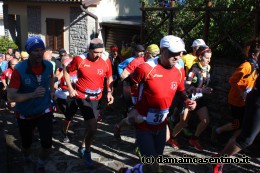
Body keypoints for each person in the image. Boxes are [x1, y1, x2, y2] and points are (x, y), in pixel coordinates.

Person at [118, 35, 196, 173]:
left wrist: (186, 100)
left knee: (155, 163)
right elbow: (127, 83)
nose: (178, 56)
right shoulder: (146, 68)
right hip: (143, 124)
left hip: (161, 123)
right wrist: (131, 107)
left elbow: (180, 90)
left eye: (180, 53)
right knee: (152, 166)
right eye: (173, 53)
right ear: (162, 50)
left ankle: (128, 171)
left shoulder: (179, 70)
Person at [63, 38, 114, 168]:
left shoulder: (106, 60)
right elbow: (66, 71)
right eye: (96, 52)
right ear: (89, 50)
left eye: (101, 52)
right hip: (82, 97)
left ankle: (83, 145)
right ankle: (87, 152)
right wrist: (70, 89)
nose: (98, 55)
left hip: (97, 98)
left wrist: (109, 92)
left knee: (91, 127)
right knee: (92, 127)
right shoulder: (80, 59)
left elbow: (109, 77)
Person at [7, 36, 54, 173]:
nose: (40, 53)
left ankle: (40, 164)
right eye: (35, 51)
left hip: (44, 110)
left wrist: (52, 91)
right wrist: (32, 95)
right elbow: (10, 96)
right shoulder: (19, 69)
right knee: (27, 143)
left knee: (47, 142)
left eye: (42, 50)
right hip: (25, 114)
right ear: (28, 52)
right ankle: (27, 157)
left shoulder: (49, 65)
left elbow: (50, 78)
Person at [213, 38, 260, 173]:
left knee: (240, 128)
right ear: (254, 54)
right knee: (240, 129)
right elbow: (232, 80)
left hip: (245, 100)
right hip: (237, 101)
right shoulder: (247, 65)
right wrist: (242, 93)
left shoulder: (255, 66)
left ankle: (220, 150)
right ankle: (218, 132)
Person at [168, 46, 213, 151]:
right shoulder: (194, 69)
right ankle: (172, 138)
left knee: (205, 120)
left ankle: (194, 139)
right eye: (207, 58)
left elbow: (203, 83)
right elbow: (186, 86)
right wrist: (201, 90)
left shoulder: (208, 67)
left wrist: (206, 89)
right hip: (189, 98)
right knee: (183, 122)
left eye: (210, 58)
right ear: (200, 57)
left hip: (199, 99)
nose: (209, 60)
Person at [55, 55, 78, 143]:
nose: (68, 65)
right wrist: (54, 82)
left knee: (71, 115)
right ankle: (64, 132)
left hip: (74, 96)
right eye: (65, 64)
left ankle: (65, 128)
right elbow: (56, 78)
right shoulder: (61, 71)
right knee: (68, 115)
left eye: (69, 63)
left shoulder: (77, 71)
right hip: (62, 96)